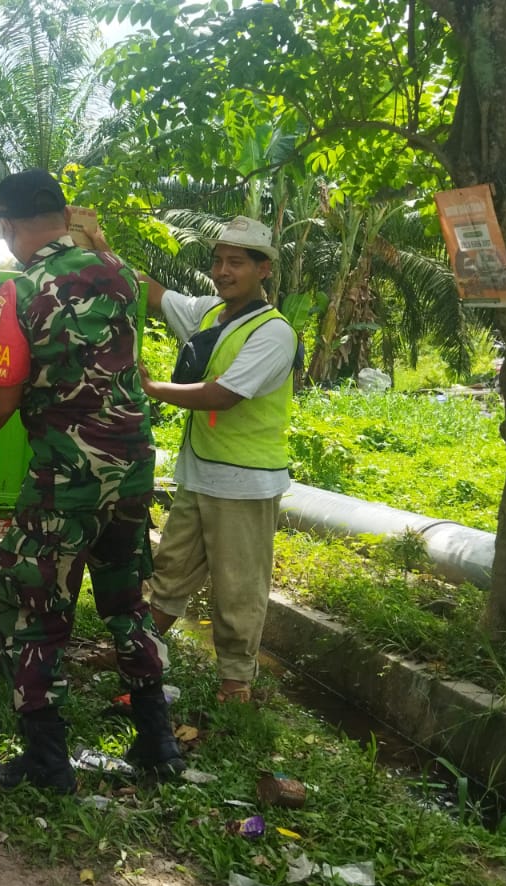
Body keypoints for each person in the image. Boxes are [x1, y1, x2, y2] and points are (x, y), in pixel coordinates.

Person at [0, 170, 181, 792]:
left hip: (66, 476)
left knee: (33, 605)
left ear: (10, 225)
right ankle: (158, 741)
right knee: (126, 599)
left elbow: (2, 399)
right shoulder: (121, 274)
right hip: (133, 468)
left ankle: (47, 761)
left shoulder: (20, 289)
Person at [134, 216, 296, 705]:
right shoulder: (210, 314)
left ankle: (235, 683)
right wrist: (98, 249)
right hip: (201, 474)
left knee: (238, 587)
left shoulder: (274, 333)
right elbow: (154, 293)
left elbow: (224, 394)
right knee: (171, 570)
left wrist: (152, 388)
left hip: (244, 482)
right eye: (218, 261)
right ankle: (138, 653)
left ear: (263, 269)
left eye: (237, 262)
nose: (223, 271)